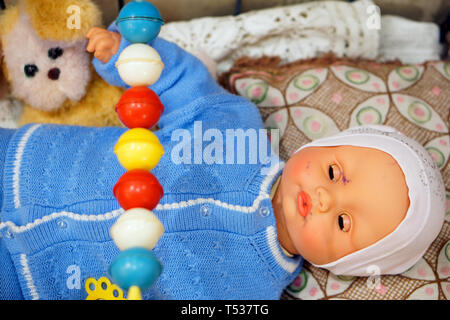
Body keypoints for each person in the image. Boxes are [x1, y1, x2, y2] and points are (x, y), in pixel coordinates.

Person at [0, 23, 445, 300]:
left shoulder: (248, 293)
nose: (326, 198)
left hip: (31, 282)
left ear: (342, 265)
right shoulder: (238, 128)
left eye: (345, 224)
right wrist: (125, 55)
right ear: (322, 145)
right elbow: (179, 81)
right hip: (27, 164)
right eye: (334, 172)